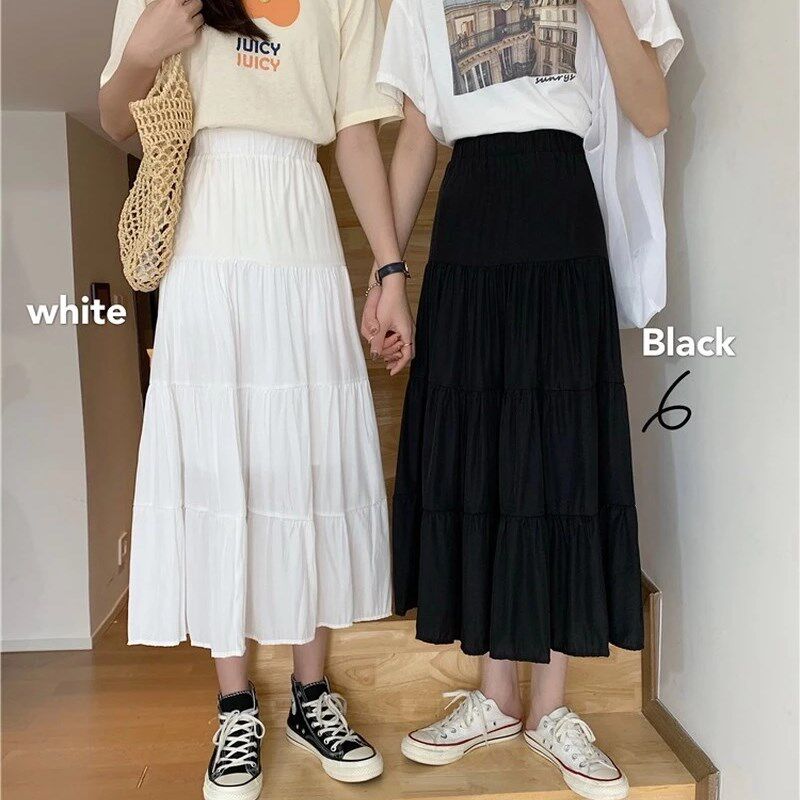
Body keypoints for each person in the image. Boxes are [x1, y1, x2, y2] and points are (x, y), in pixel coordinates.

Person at [365, 1, 682, 798]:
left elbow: (652, 109)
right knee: (480, 449)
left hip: (561, 211)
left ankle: (552, 707)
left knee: (561, 451)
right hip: (469, 213)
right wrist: (387, 273)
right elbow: (417, 135)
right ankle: (496, 696)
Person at [99, 1, 414, 797]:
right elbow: (115, 118)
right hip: (204, 225)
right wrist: (140, 51)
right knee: (218, 456)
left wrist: (389, 270)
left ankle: (311, 694)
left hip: (301, 220)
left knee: (306, 456)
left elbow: (355, 135)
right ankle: (235, 705)